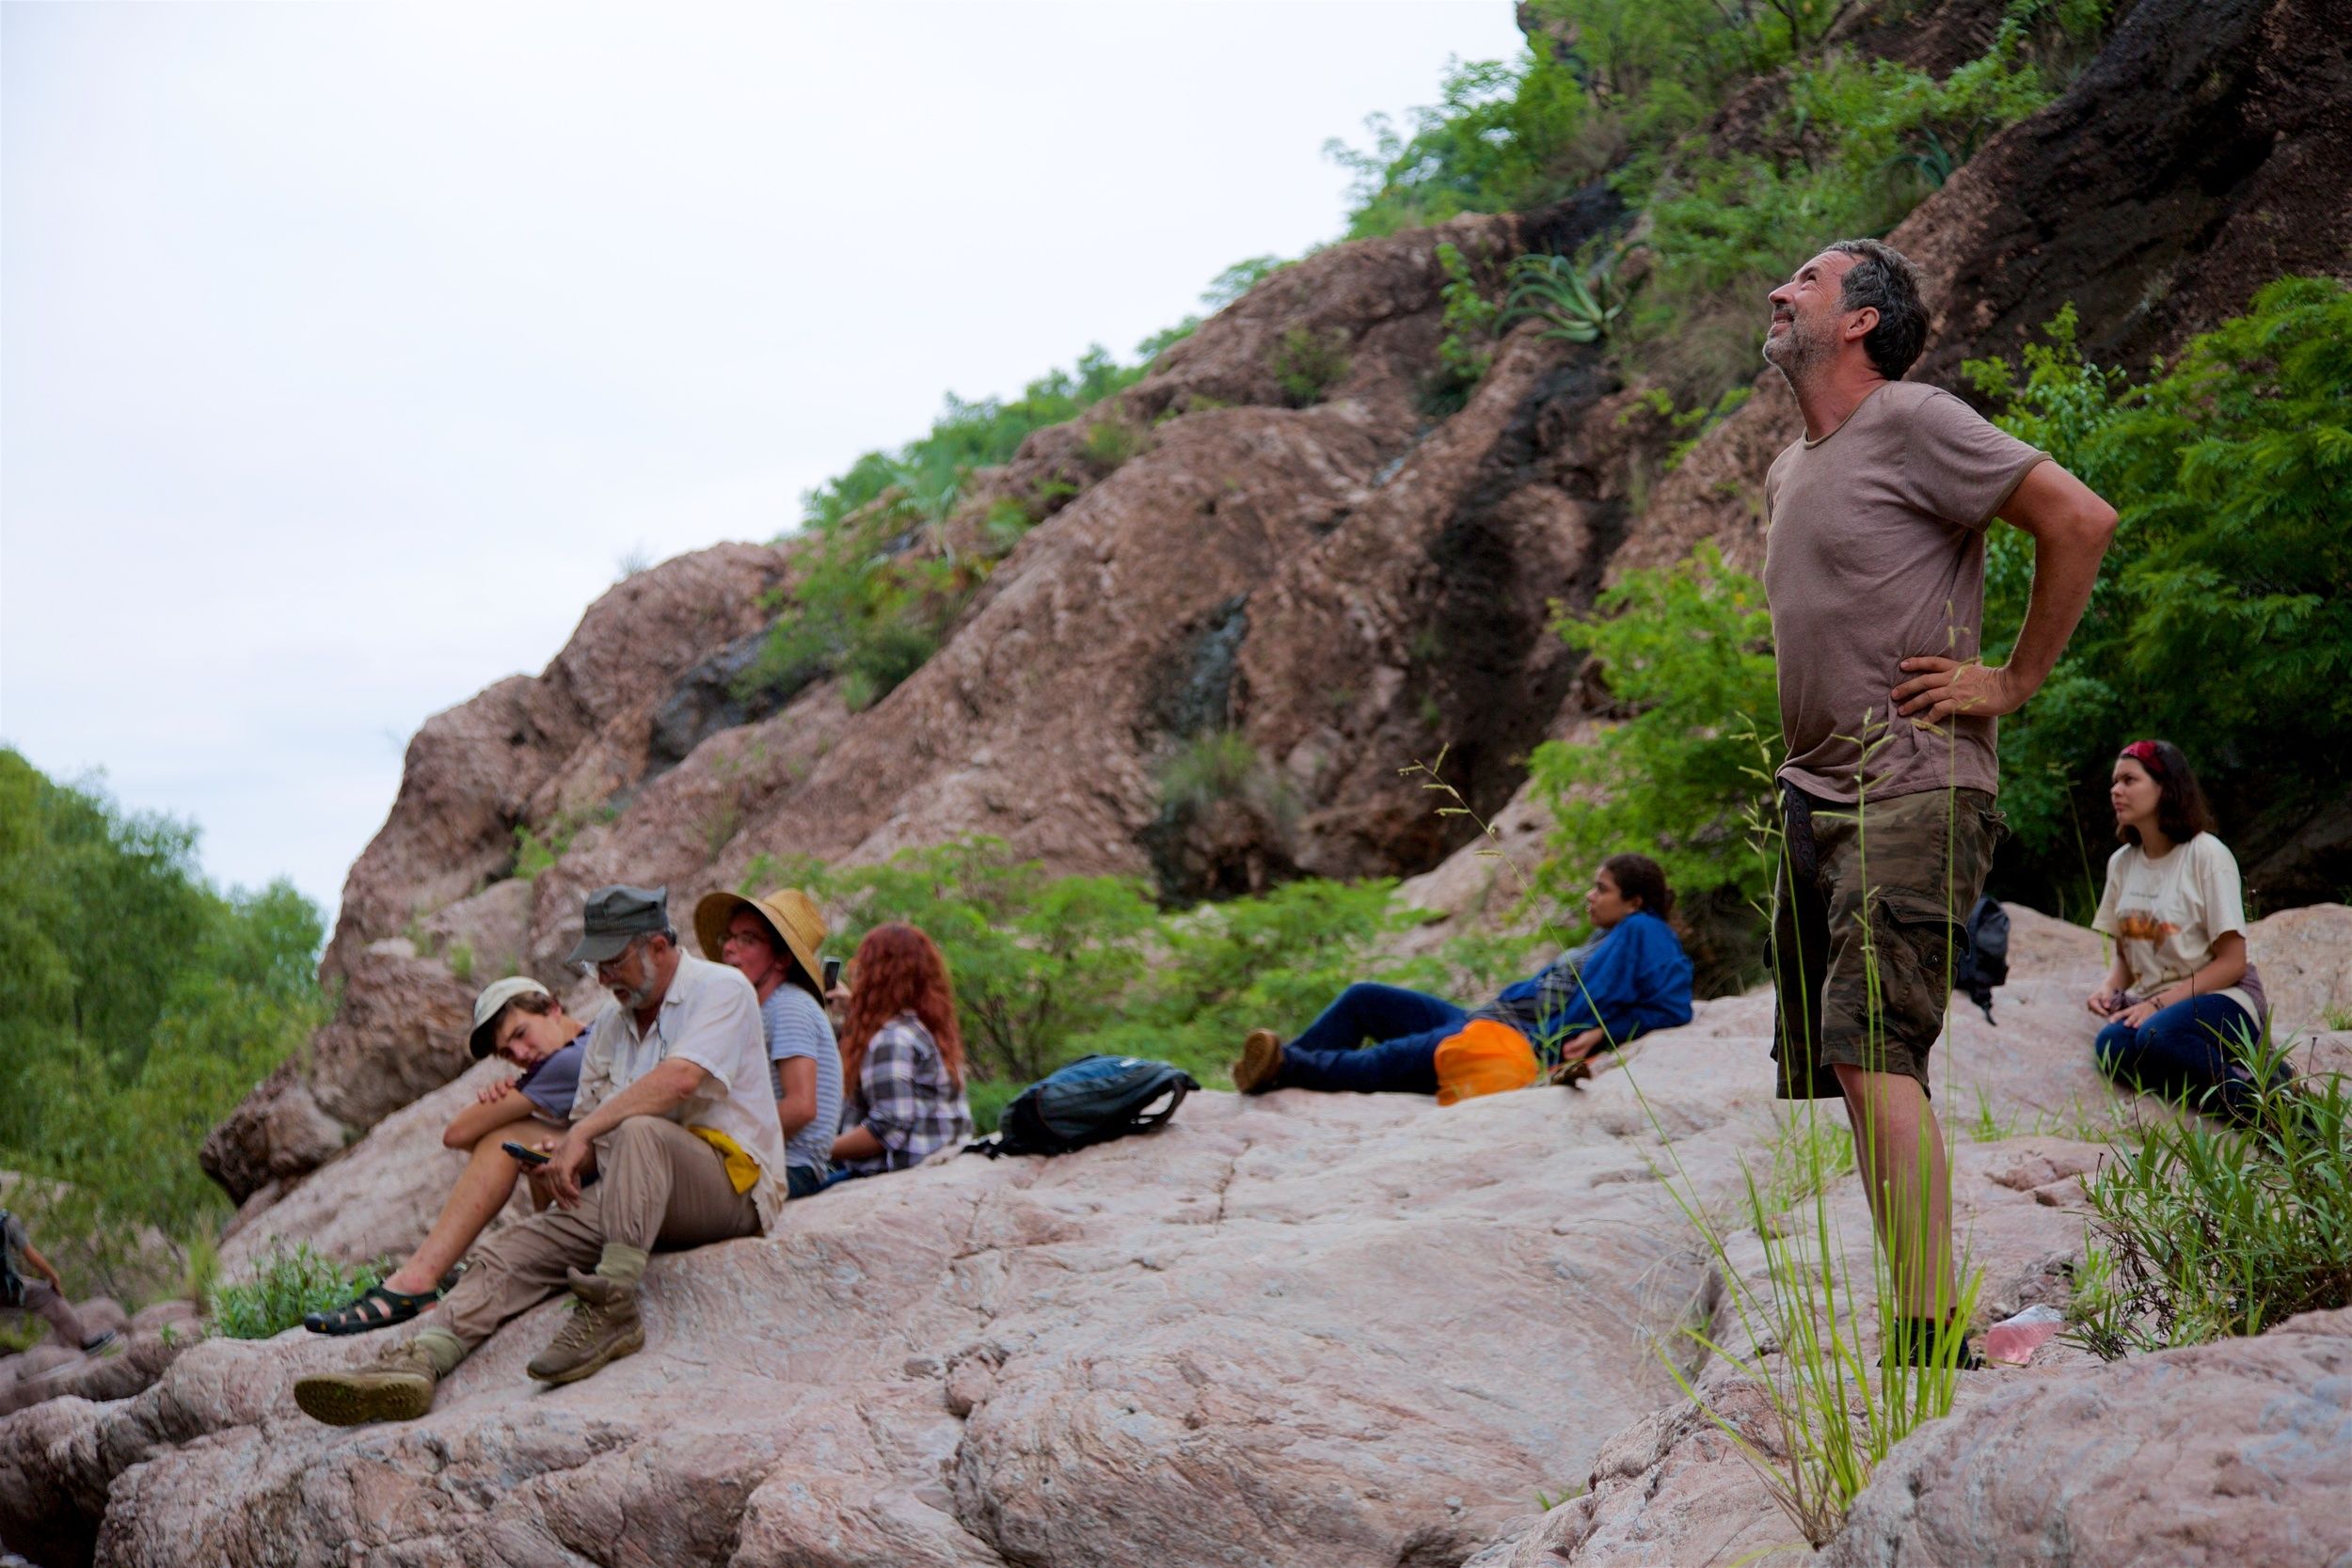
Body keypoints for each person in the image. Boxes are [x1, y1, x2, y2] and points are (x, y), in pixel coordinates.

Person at [1757, 238, 2116, 1369]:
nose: (1779, 291)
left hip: (1912, 783)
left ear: (1861, 319)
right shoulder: (1789, 465)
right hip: (1816, 797)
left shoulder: (1913, 418)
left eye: (1806, 280)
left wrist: (2010, 681)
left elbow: (2079, 519)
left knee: (1876, 1046)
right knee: (1857, 1070)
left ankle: (1929, 1328)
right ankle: (1917, 1312)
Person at [294, 885, 791, 1425]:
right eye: (595, 966)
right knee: (511, 1249)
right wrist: (558, 1162)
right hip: (638, 1198)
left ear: (656, 946)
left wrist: (586, 1134)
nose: (602, 978)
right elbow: (589, 1141)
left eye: (612, 961)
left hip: (730, 1187)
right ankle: (421, 1360)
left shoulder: (723, 987)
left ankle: (613, 1307)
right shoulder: (610, 1025)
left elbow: (681, 1080)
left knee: (639, 1130)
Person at [1231, 856, 1694, 1096]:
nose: (1589, 896)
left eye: (1602, 888)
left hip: (1509, 1041)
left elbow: (1672, 1006)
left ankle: (1286, 1067)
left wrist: (1598, 1032)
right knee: (1364, 998)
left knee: (1389, 1059)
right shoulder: (1611, 935)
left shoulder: (1643, 930)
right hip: (1484, 1020)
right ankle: (1273, 1068)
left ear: (1635, 902)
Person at [305, 976, 586, 1334]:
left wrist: (516, 1095)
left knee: (508, 1137)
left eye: (520, 1034)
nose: (521, 1055)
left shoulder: (568, 1060)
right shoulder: (581, 1050)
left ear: (553, 1009)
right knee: (527, 1145)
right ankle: (420, 1280)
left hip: (624, 1199)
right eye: (507, 1054)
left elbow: (457, 1133)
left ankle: (417, 1280)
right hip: (603, 1195)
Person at [2087, 740, 2275, 1120]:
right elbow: (2126, 956)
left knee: (2158, 1035)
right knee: (2112, 1045)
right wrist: (2110, 987)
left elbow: (2233, 963)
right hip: (2157, 1012)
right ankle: (2215, 1101)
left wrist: (2158, 1004)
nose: (2116, 790)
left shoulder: (2207, 854)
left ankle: (2270, 1111)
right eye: (2114, 781)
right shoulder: (2122, 863)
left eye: (2129, 780)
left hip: (2222, 999)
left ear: (2165, 786)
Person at [694, 886, 843, 1198]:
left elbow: (801, 1107)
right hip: (771, 1160)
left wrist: (726, 1137)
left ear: (782, 958)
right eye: (729, 937)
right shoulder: (763, 1009)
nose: (730, 948)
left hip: (790, 1167)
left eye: (748, 939)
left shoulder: (788, 1007)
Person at [829, 923, 974, 1176]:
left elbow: (887, 1128)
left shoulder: (892, 1039)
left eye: (860, 968)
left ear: (875, 976)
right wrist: (854, 1009)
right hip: (943, 1162)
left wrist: (817, 1149)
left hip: (899, 1171)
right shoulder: (924, 1029)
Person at [1, 1211, 119, 1357]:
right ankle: (83, 1340)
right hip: (5, 1287)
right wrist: (53, 1276)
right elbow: (30, 1255)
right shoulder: (7, 1222)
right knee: (48, 1296)